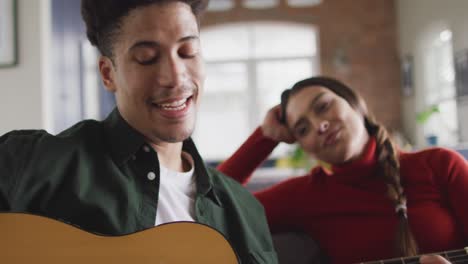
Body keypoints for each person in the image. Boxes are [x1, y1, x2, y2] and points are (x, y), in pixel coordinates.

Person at [0, 1, 278, 263]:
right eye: (147, 58)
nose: (175, 76)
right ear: (108, 74)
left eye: (187, 52)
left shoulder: (246, 212)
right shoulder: (35, 162)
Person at [217, 76, 468, 264]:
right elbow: (210, 203)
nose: (320, 125)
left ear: (354, 103)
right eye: (302, 129)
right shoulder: (305, 196)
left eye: (323, 106)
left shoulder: (440, 165)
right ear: (305, 147)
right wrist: (265, 137)